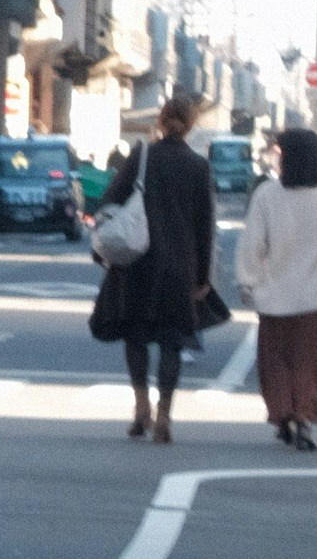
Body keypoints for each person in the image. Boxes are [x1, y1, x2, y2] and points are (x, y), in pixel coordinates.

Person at [87, 94, 220, 444]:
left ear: (160, 121)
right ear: (191, 124)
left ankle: (141, 407)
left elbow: (110, 201)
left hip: (138, 264)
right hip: (180, 267)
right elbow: (205, 226)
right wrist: (203, 277)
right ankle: (165, 416)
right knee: (173, 342)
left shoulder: (142, 156)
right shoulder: (198, 166)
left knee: (136, 336)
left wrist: (104, 252)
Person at [232, 122, 317, 451]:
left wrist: (248, 281)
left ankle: (284, 415)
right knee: (310, 364)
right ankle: (304, 419)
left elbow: (252, 244)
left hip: (276, 300)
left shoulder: (267, 195)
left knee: (278, 363)